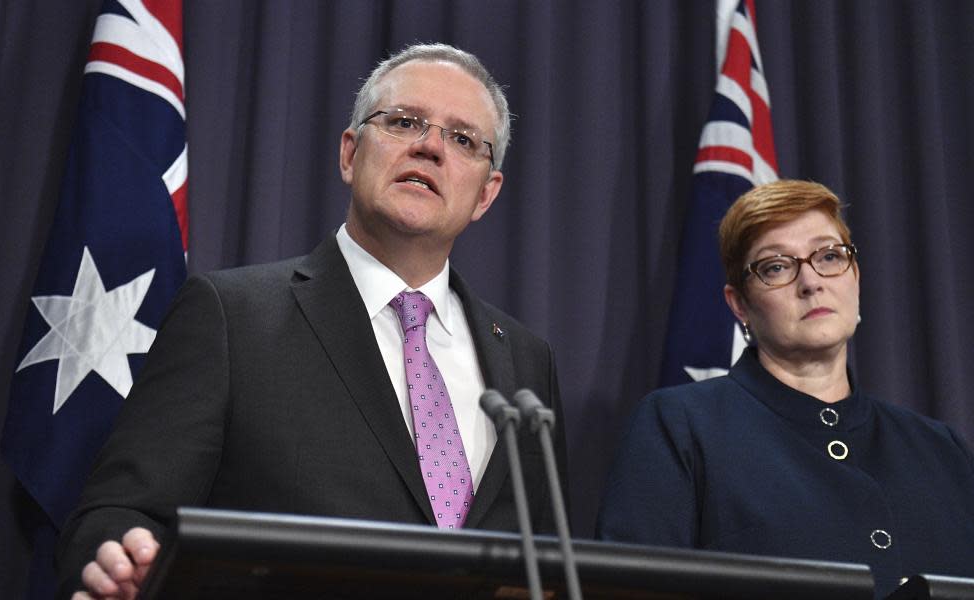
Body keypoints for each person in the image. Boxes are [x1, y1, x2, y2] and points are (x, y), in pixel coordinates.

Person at [57, 43, 566, 599]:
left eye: (463, 139)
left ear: (486, 195)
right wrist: (120, 562)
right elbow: (123, 512)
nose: (430, 147)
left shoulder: (525, 362)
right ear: (350, 154)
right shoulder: (232, 317)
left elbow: (544, 561)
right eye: (403, 122)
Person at [597, 180, 974, 597]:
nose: (811, 282)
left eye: (830, 256)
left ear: (856, 278)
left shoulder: (943, 450)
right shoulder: (680, 427)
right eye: (776, 267)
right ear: (739, 304)